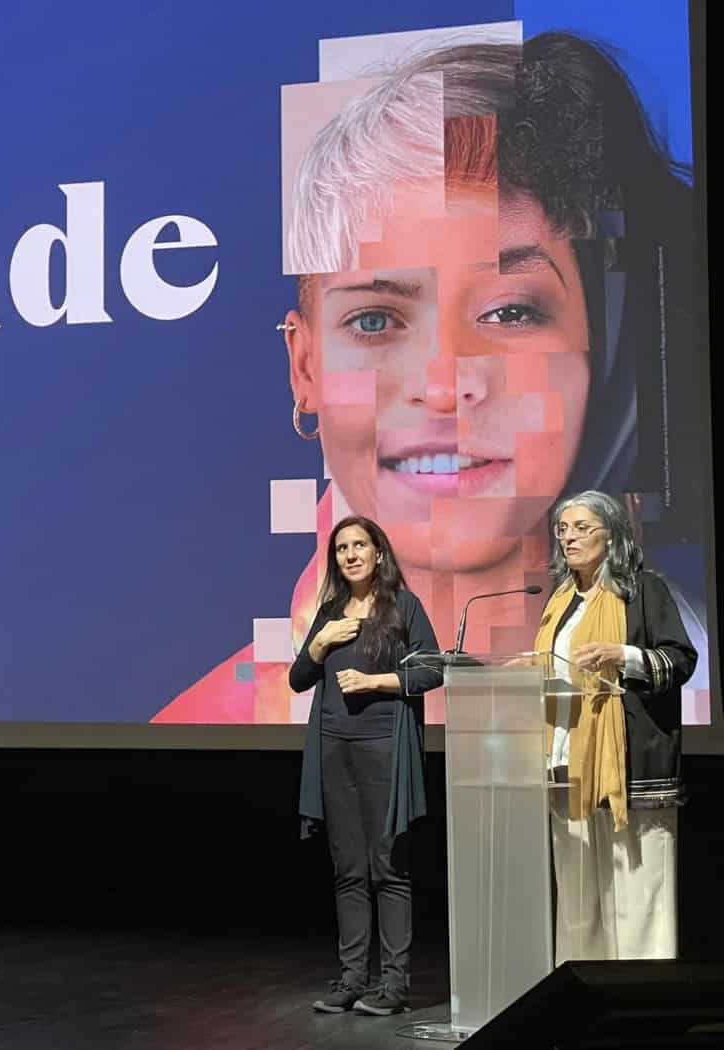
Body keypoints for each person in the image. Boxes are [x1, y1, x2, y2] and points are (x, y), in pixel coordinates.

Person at [152, 29, 709, 727]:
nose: (445, 385)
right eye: (377, 321)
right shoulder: (214, 723)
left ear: (611, 356)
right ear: (305, 369)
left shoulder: (690, 684)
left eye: (509, 311)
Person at [290, 515, 441, 1015]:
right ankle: (353, 978)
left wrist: (376, 683)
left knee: (388, 868)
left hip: (383, 750)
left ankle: (394, 985)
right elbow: (298, 678)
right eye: (341, 548)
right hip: (336, 749)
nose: (350, 554)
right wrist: (318, 644)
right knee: (347, 870)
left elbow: (433, 668)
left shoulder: (403, 607)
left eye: (360, 545)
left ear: (379, 552)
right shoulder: (331, 612)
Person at [537, 489, 695, 961]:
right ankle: (580, 991)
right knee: (580, 899)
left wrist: (621, 654)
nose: (569, 538)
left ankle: (644, 1003)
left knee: (636, 896)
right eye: (562, 529)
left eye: (582, 528)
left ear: (613, 536)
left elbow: (681, 660)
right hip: (567, 766)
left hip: (630, 766)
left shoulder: (644, 589)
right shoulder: (560, 601)